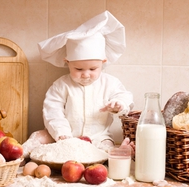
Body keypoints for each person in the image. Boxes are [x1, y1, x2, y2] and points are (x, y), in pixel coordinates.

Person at [22, 10, 134, 159]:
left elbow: (125, 96)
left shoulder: (110, 83)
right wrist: (62, 134)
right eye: (78, 69)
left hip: (98, 137)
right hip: (64, 136)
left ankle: (120, 153)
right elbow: (52, 111)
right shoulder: (61, 85)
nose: (86, 74)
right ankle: (17, 155)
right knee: (39, 136)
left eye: (93, 69)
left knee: (106, 148)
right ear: (67, 62)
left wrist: (119, 104)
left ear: (103, 62)